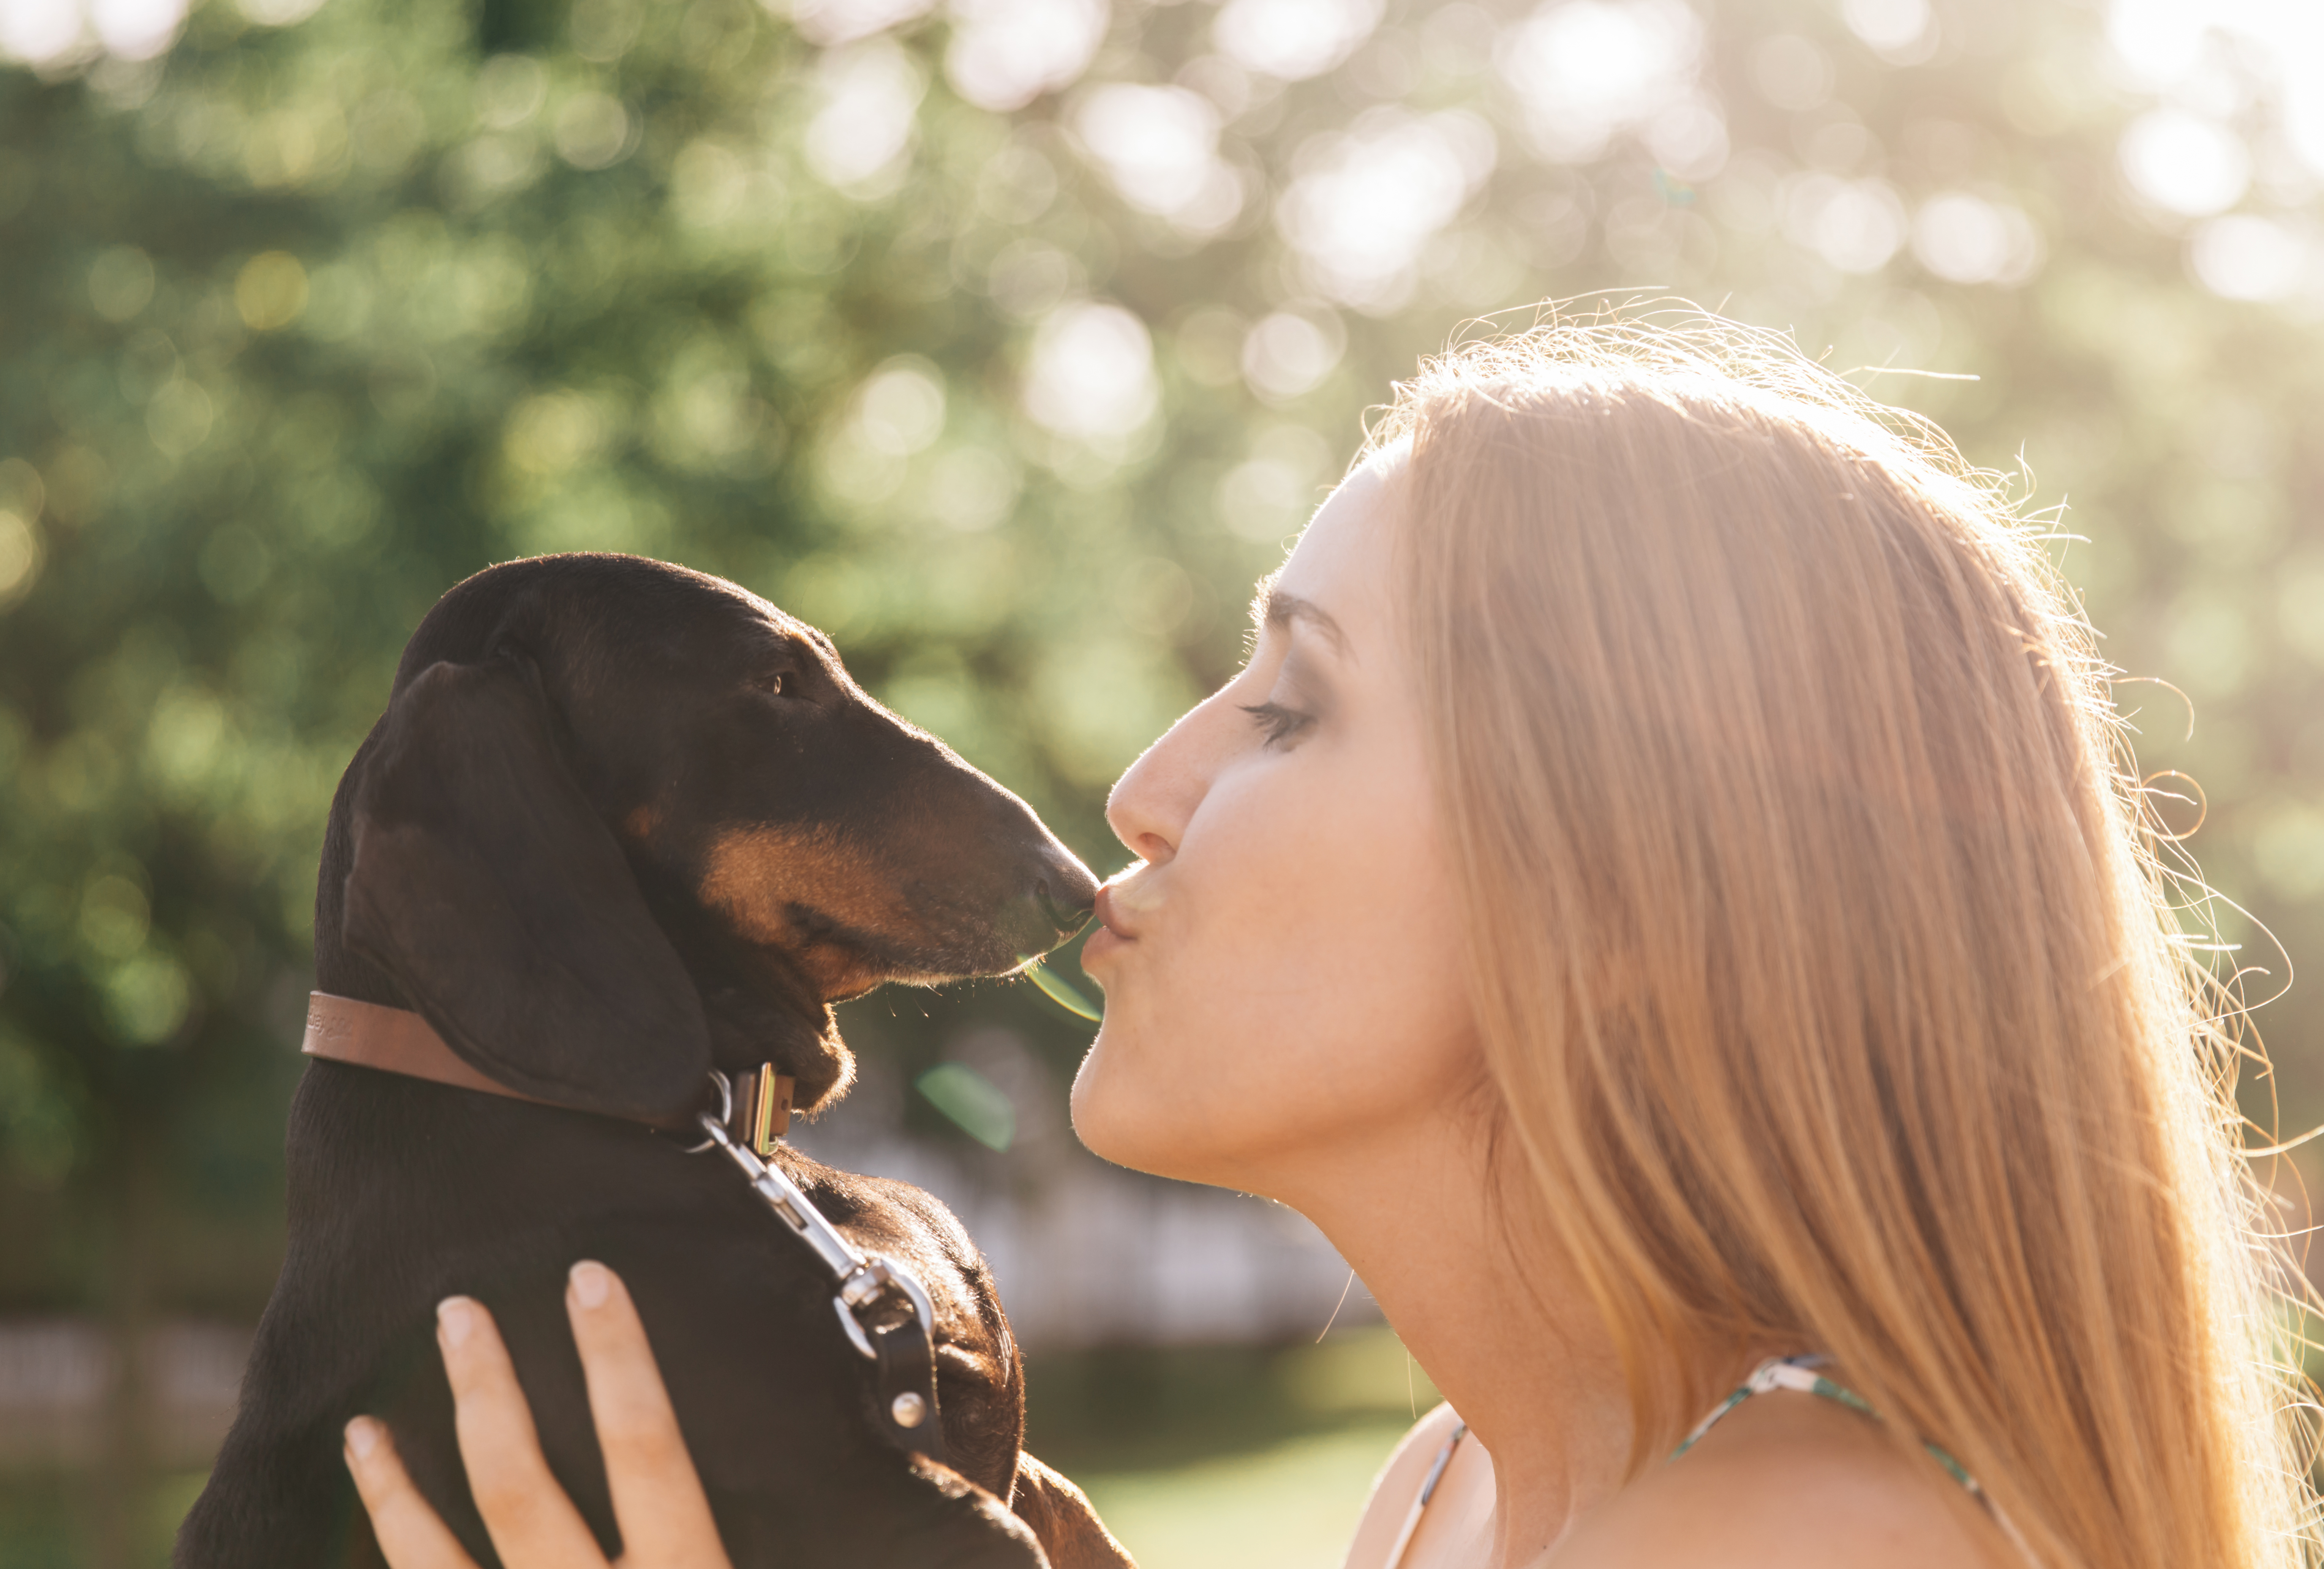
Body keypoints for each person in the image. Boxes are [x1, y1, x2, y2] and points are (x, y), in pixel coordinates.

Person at [341, 311, 2317, 1569]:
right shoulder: (1451, 1497)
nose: (1141, 784)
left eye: (1290, 705)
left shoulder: (1794, 1541)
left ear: (1623, 888)